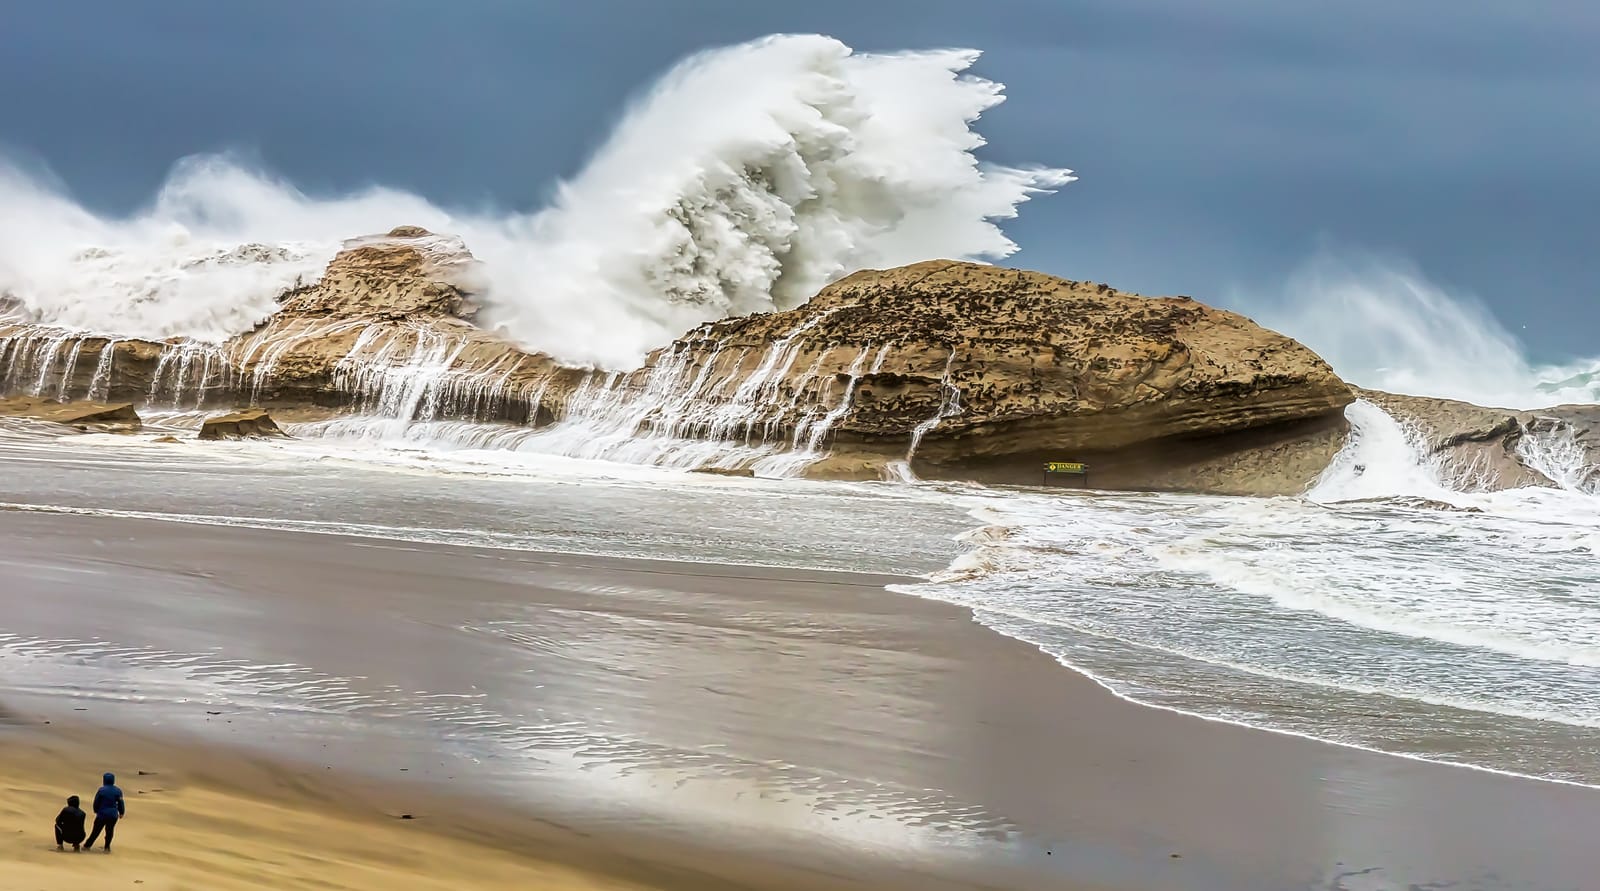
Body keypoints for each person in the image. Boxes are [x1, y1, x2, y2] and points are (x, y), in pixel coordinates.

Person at [83, 772, 125, 852]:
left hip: (102, 814)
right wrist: (122, 812)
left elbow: (96, 802)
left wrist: (95, 810)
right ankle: (107, 847)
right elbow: (121, 802)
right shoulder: (118, 791)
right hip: (113, 815)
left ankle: (87, 846)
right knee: (109, 831)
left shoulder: (101, 790)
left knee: (96, 831)